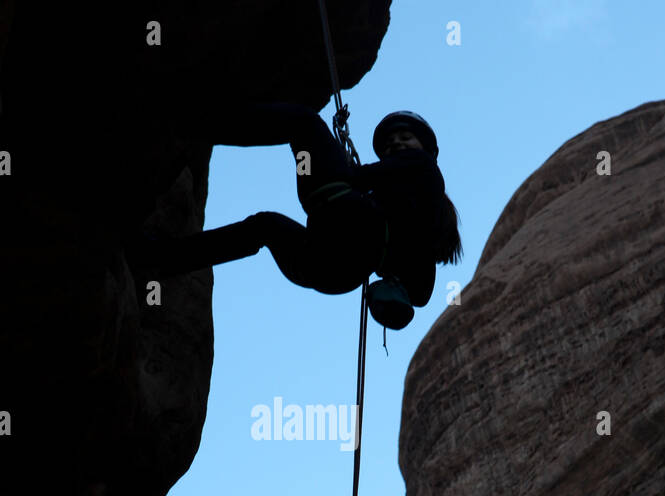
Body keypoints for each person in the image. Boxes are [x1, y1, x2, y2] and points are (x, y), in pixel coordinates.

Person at [145, 99, 462, 330]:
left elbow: (358, 177)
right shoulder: (418, 224)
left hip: (332, 208)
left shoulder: (423, 168)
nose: (396, 145)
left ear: (426, 149)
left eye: (405, 138)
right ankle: (162, 259)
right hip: (330, 271)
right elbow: (421, 294)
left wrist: (342, 162)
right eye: (391, 142)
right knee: (265, 227)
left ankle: (193, 123)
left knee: (304, 124)